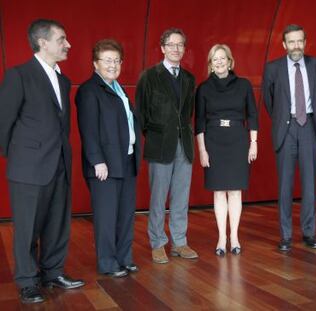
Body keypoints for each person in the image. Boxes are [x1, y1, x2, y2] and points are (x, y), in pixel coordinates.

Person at [0, 19, 84, 304]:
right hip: (28, 167)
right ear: (42, 42)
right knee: (27, 229)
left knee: (57, 223)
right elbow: (4, 122)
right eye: (62, 39)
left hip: (59, 163)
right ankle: (27, 281)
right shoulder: (19, 75)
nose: (68, 44)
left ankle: (53, 272)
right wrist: (19, 160)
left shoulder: (63, 79)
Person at [75, 39, 141, 277]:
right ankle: (107, 263)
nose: (113, 65)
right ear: (95, 64)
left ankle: (124, 258)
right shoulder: (89, 90)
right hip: (105, 164)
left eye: (116, 60)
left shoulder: (118, 88)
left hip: (127, 160)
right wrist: (97, 161)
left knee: (125, 215)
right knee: (106, 217)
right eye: (107, 60)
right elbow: (88, 129)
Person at [136, 28, 198, 264]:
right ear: (162, 48)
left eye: (180, 45)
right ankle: (158, 242)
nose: (176, 49)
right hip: (159, 144)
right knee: (158, 197)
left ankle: (179, 242)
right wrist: (155, 134)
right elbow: (141, 114)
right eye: (171, 44)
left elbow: (188, 113)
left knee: (181, 197)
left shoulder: (190, 79)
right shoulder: (149, 76)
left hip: (184, 145)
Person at [262, 24, 316, 252]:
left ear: (305, 42)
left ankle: (309, 233)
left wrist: (307, 117)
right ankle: (286, 236)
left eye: (300, 41)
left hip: (309, 126)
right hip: (285, 129)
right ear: (284, 44)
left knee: (309, 185)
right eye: (291, 42)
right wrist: (283, 120)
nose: (296, 46)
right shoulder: (272, 68)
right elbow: (268, 101)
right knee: (285, 187)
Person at [195, 44, 258, 256]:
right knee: (219, 191)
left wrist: (254, 142)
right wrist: (202, 150)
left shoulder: (244, 85)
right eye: (215, 59)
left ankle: (235, 237)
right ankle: (222, 237)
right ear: (211, 65)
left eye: (223, 58)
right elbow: (199, 122)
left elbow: (253, 115)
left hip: (238, 140)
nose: (219, 62)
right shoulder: (203, 88)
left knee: (235, 191)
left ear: (230, 61)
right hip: (213, 141)